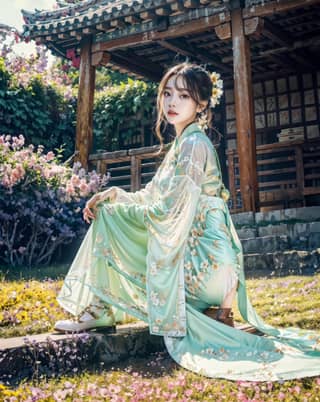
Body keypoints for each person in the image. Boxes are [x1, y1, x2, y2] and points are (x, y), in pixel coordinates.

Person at [55, 62, 320, 381]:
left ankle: (97, 311)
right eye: (167, 93)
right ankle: (98, 310)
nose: (172, 102)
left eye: (183, 95)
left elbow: (166, 212)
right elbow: (151, 196)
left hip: (206, 266)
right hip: (209, 267)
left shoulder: (194, 145)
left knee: (110, 218)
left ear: (202, 104)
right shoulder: (184, 143)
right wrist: (114, 194)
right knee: (111, 210)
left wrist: (114, 212)